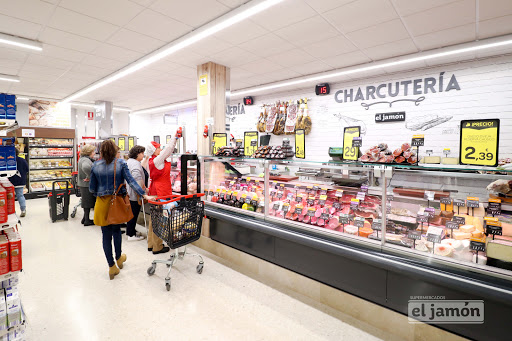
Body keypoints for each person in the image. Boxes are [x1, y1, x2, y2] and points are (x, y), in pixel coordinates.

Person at [89, 140, 153, 280]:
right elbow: (131, 181)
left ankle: (111, 266)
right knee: (116, 230)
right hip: (116, 203)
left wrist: (101, 194)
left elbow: (92, 189)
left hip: (101, 204)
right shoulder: (120, 164)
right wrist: (142, 193)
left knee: (105, 235)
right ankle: (119, 258)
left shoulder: (95, 165)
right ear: (114, 150)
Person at [145, 131, 179, 254]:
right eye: (158, 147)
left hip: (156, 190)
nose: (160, 149)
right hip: (160, 192)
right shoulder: (157, 160)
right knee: (159, 219)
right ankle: (157, 247)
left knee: (153, 218)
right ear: (154, 150)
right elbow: (168, 150)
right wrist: (175, 137)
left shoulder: (153, 160)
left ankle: (151, 244)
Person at [125, 145, 147, 242]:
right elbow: (136, 179)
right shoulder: (135, 164)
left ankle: (131, 231)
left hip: (130, 192)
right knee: (133, 214)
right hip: (134, 194)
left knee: (131, 214)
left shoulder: (130, 162)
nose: (143, 155)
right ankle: (131, 234)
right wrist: (141, 193)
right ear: (137, 154)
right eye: (142, 153)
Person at [77, 144, 96, 226]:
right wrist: (89, 176)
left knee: (86, 201)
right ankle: (87, 221)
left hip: (83, 184)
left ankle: (85, 219)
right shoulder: (86, 160)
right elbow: (86, 167)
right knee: (88, 202)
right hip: (86, 184)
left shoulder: (83, 158)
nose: (94, 153)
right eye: (93, 151)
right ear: (89, 152)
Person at [8, 148, 28, 217]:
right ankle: (23, 210)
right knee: (20, 196)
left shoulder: (8, 160)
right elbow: (27, 169)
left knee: (10, 197)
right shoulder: (22, 160)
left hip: (10, 181)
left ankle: (11, 212)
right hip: (20, 181)